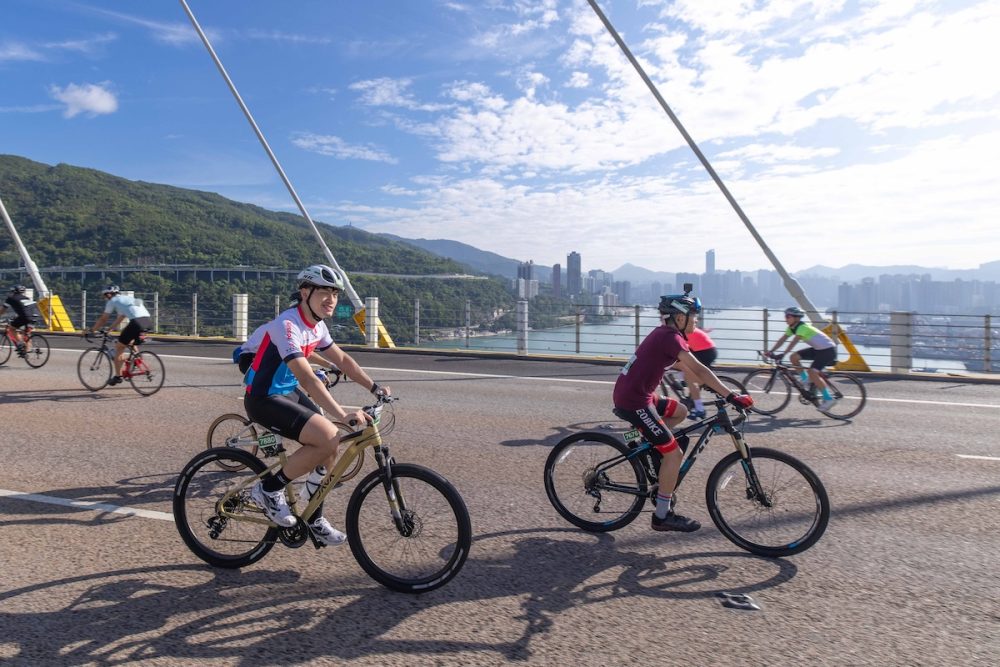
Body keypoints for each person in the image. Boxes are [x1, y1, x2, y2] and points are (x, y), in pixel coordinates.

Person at [244, 264, 389, 546]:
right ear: (304, 292)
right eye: (324, 291)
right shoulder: (286, 325)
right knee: (328, 435)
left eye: (335, 294)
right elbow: (309, 379)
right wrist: (343, 414)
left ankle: (312, 515)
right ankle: (268, 490)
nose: (331, 299)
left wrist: (374, 387)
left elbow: (343, 361)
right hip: (263, 398)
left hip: (286, 392)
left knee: (332, 443)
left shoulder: (317, 326)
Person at [613, 294, 753, 533]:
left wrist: (712, 386)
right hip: (634, 400)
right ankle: (662, 516)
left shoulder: (665, 336)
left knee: (681, 410)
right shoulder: (670, 337)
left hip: (640, 395)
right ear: (679, 317)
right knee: (674, 454)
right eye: (693, 317)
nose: (696, 322)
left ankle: (644, 443)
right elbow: (699, 367)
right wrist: (730, 395)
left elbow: (690, 370)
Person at [767, 306, 839, 411]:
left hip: (828, 350)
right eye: (785, 316)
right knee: (794, 357)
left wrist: (783, 354)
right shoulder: (792, 327)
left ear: (796, 318)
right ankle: (806, 379)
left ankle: (829, 398)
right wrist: (771, 351)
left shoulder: (802, 328)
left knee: (813, 372)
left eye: (788, 316)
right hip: (818, 349)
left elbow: (794, 342)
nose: (785, 319)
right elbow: (782, 339)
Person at [83, 285, 153, 386]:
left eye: (105, 296)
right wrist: (110, 329)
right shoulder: (128, 299)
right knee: (130, 342)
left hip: (136, 322)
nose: (105, 298)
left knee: (119, 348)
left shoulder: (112, 301)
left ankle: (117, 377)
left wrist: (93, 330)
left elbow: (103, 319)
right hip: (147, 321)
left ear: (109, 294)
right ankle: (136, 359)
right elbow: (122, 316)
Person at [674, 317, 717, 420]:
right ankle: (685, 380)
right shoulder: (685, 328)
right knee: (682, 364)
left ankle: (699, 409)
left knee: (689, 378)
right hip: (706, 350)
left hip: (704, 352)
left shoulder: (680, 331)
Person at [0, 285, 37, 357]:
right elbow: (25, 310)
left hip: (25, 317)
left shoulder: (10, 298)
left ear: (13, 291)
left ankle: (20, 344)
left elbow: (3, 310)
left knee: (11, 328)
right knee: (26, 333)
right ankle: (26, 351)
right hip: (34, 316)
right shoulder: (27, 298)